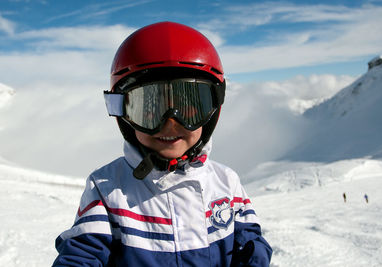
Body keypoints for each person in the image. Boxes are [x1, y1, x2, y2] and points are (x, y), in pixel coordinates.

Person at [53, 21, 272, 266]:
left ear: (212, 109)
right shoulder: (107, 188)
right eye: (149, 108)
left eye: (190, 107)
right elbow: (82, 254)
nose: (170, 123)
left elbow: (250, 247)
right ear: (124, 113)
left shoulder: (226, 183)